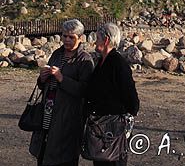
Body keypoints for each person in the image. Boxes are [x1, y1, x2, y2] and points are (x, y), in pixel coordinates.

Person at [29, 19, 94, 165]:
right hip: (48, 112)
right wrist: (42, 78)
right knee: (44, 151)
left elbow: (85, 90)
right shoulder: (57, 54)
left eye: (72, 37)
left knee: (65, 157)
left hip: (69, 117)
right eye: (64, 36)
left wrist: (62, 78)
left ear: (80, 38)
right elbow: (44, 85)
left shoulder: (85, 60)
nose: (67, 40)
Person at [86, 22, 139, 166]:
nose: (95, 41)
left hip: (113, 129)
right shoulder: (102, 61)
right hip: (101, 126)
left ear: (106, 40)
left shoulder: (118, 63)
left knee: (112, 161)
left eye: (97, 38)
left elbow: (132, 99)